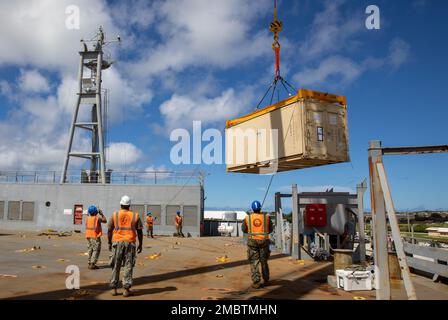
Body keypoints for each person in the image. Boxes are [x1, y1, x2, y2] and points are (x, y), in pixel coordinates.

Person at [107, 195, 143, 297]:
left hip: (117, 242)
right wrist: (140, 244)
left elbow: (109, 230)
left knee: (115, 265)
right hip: (130, 243)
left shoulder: (115, 215)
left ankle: (114, 289)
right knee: (128, 265)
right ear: (129, 205)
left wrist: (109, 242)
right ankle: (126, 290)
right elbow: (139, 231)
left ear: (121, 204)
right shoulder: (135, 216)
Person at [241, 200, 273, 289]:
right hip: (264, 241)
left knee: (254, 262)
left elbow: (243, 229)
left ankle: (256, 282)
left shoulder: (248, 218)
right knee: (264, 261)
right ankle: (266, 280)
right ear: (260, 208)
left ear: (252, 208)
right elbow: (271, 229)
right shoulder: (267, 217)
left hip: (253, 242)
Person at [85, 205, 107, 270]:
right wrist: (102, 214)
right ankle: (92, 264)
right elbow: (105, 220)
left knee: (90, 249)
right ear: (95, 212)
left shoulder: (87, 218)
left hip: (88, 236)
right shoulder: (97, 218)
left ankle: (89, 262)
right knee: (96, 250)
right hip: (95, 236)